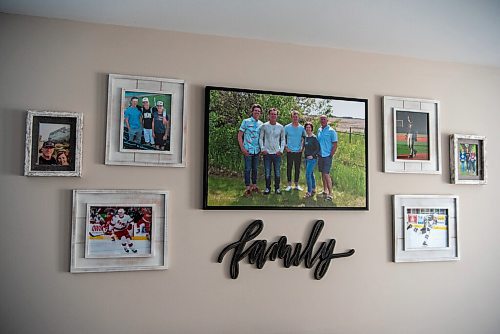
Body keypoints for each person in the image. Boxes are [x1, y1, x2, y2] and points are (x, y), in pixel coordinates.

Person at [237, 104, 263, 197]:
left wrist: (261, 148)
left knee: (255, 169)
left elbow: (261, 137)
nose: (257, 112)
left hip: (257, 151)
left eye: (259, 111)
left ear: (260, 113)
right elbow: (240, 135)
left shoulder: (261, 124)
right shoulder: (246, 121)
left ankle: (254, 187)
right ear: (252, 111)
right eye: (255, 110)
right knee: (248, 169)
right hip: (247, 150)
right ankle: (248, 189)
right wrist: (242, 148)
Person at [259, 108, 285, 195]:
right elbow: (260, 138)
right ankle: (267, 188)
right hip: (267, 153)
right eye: (272, 114)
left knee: (277, 172)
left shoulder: (281, 127)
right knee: (267, 172)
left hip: (277, 153)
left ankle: (277, 188)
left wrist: (281, 150)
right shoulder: (264, 126)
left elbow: (283, 140)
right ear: (269, 115)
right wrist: (262, 149)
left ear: (277, 116)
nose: (273, 116)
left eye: (275, 114)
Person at [317, 115, 338, 201]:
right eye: (321, 119)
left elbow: (335, 144)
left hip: (327, 156)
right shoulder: (319, 130)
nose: (322, 120)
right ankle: (325, 190)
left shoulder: (331, 131)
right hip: (320, 155)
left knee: (326, 174)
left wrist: (331, 154)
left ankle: (330, 194)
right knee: (322, 173)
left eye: (324, 119)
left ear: (327, 120)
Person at [284, 110, 305, 191]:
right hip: (290, 151)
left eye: (296, 117)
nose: (295, 118)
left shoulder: (302, 128)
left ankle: (296, 185)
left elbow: (304, 138)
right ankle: (289, 185)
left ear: (298, 118)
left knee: (297, 168)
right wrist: (286, 148)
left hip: (298, 152)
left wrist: (302, 148)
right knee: (289, 168)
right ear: (291, 117)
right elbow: (283, 138)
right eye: (294, 117)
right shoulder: (287, 127)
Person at [303, 122, 320, 198]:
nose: (308, 129)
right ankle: (313, 188)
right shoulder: (306, 137)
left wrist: (312, 155)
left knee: (307, 174)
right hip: (306, 158)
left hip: (312, 159)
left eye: (309, 127)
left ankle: (309, 191)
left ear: (312, 129)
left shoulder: (314, 138)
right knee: (311, 174)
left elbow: (318, 148)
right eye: (307, 127)